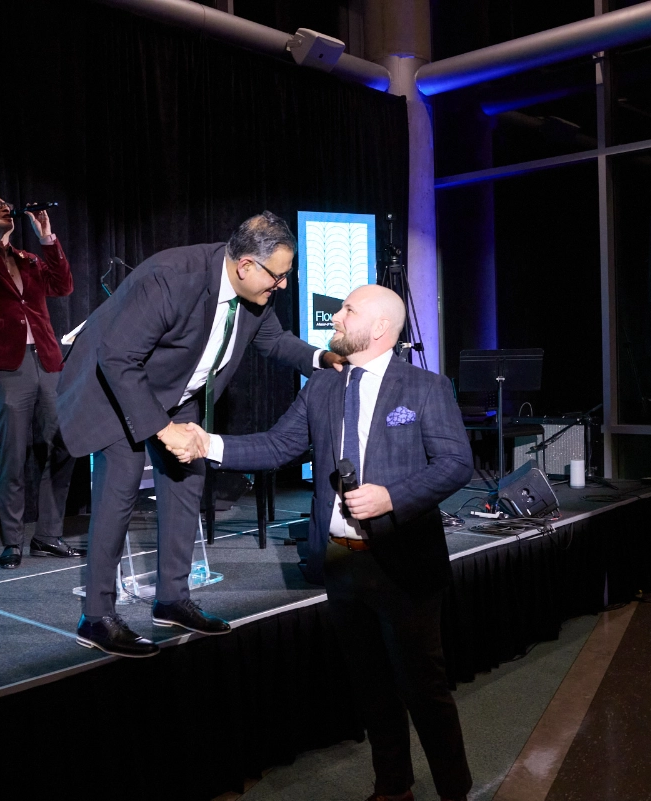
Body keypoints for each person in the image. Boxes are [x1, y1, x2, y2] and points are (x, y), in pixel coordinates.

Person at [174, 285, 474, 801]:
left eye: (348, 309)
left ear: (380, 328)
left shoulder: (425, 387)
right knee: (372, 688)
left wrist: (392, 498)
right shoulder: (322, 385)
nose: (336, 316)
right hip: (341, 561)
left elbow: (455, 464)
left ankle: (454, 791)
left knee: (424, 690)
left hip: (405, 563)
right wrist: (208, 444)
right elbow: (279, 445)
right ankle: (393, 788)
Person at [56, 211, 346, 657]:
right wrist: (162, 429)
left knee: (186, 487)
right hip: (117, 393)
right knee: (119, 494)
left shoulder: (254, 293)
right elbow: (117, 358)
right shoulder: (172, 277)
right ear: (246, 265)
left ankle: (172, 601)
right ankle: (96, 618)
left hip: (178, 391)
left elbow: (274, 341)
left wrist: (321, 359)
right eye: (279, 276)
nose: (283, 285)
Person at [0, 161, 83, 569]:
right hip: (6, 368)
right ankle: (12, 541)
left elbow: (63, 285)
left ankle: (48, 535)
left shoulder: (28, 258)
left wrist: (47, 239)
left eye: (6, 204)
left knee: (64, 445)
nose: (5, 208)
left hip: (48, 362)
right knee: (13, 456)